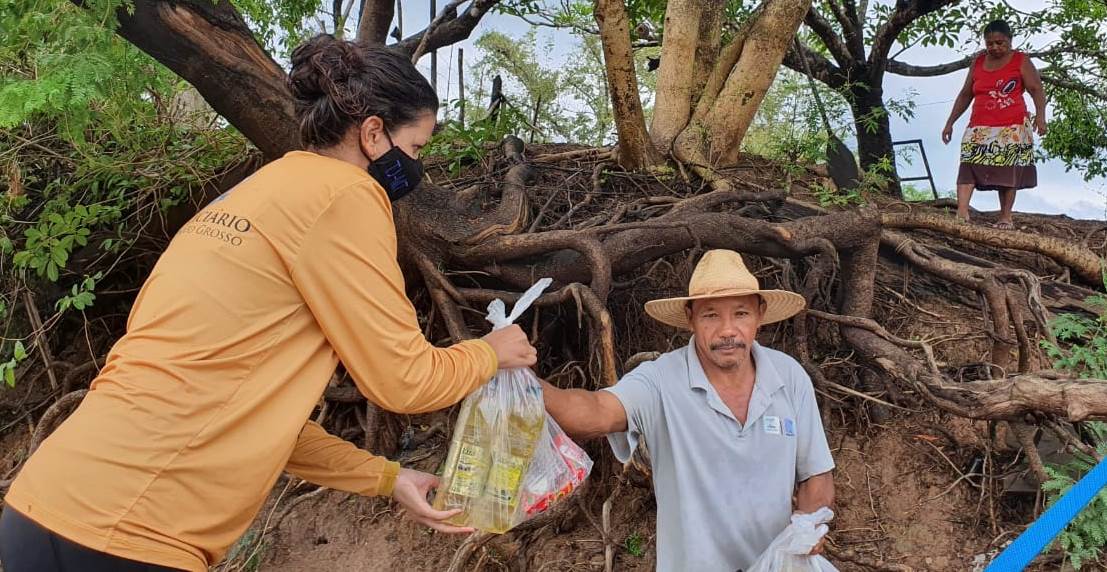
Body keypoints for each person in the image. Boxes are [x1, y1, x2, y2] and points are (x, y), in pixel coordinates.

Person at [0, 34, 537, 572]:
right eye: (416, 148)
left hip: (43, 503)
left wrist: (390, 480)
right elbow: (405, 379)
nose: (416, 167)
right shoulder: (347, 195)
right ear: (374, 133)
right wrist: (492, 352)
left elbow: (251, 413)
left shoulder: (254, 192)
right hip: (136, 529)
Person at [542, 249, 835, 572]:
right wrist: (519, 380)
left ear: (760, 315)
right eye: (711, 315)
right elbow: (593, 413)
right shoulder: (659, 381)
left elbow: (815, 474)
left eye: (741, 314)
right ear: (690, 317)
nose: (727, 330)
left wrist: (810, 525)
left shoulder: (789, 376)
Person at [941, 19, 1047, 229]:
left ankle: (1005, 217)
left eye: (1000, 43)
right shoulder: (978, 62)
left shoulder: (1020, 60)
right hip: (980, 126)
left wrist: (1040, 117)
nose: (995, 47)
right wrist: (950, 122)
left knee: (1007, 170)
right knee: (969, 164)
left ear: (1009, 40)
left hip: (1012, 126)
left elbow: (1036, 89)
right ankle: (962, 212)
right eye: (990, 43)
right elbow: (965, 94)